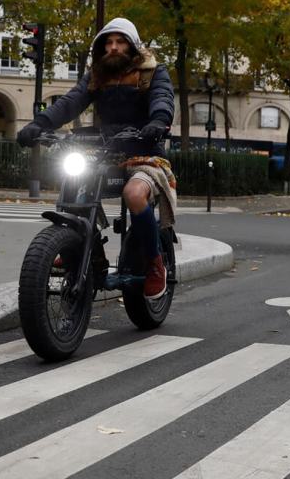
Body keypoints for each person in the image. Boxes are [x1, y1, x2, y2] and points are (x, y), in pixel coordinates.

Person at [17, 17, 175, 299]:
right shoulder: (96, 76)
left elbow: (162, 98)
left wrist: (158, 122)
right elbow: (69, 103)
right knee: (74, 183)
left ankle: (154, 264)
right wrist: (38, 125)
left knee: (134, 194)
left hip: (144, 150)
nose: (113, 48)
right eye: (108, 43)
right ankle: (80, 251)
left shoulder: (152, 72)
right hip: (105, 151)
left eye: (120, 42)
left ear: (132, 45)